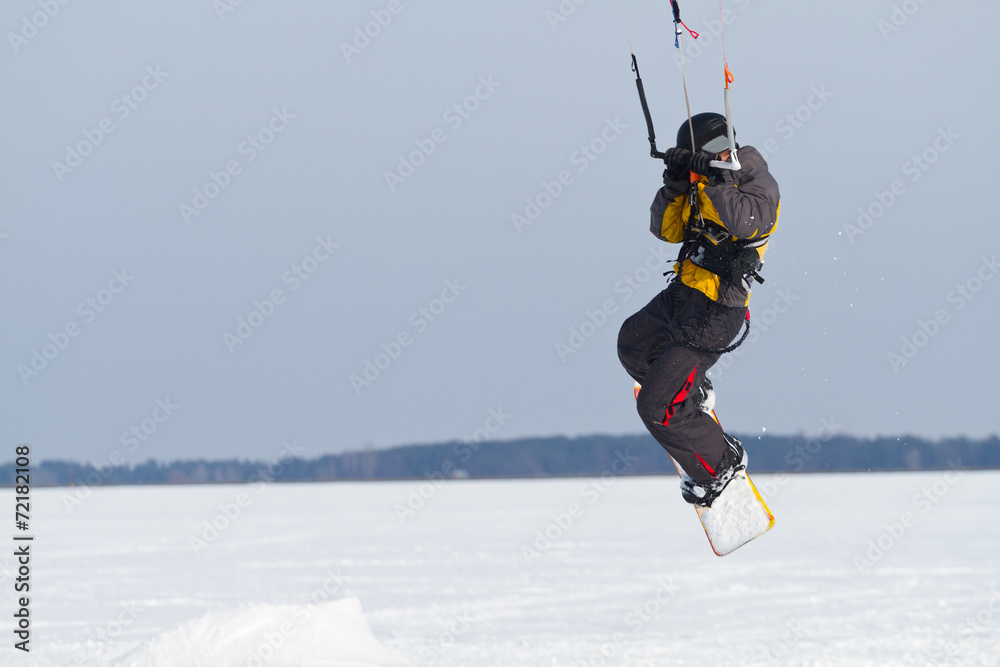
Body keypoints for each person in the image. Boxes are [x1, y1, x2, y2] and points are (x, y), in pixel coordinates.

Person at [617, 112, 780, 507]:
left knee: (656, 408)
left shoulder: (754, 179)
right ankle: (690, 392)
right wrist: (674, 183)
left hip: (716, 311)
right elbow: (667, 231)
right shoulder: (698, 184)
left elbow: (748, 223)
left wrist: (714, 177)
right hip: (685, 295)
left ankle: (721, 466)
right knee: (633, 344)